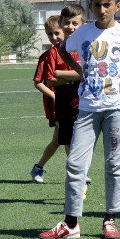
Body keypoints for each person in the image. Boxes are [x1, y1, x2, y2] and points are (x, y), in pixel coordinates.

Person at [39, 0, 120, 239]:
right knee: (75, 163)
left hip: (116, 107)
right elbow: (63, 49)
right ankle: (71, 223)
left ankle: (110, 218)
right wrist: (80, 70)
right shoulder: (83, 32)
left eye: (107, 5)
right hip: (87, 107)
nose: (102, 10)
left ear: (118, 6)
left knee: (113, 164)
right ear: (91, 6)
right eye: (97, 5)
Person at [30, 14, 78, 183]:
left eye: (57, 33)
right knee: (64, 137)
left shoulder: (74, 51)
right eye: (50, 34)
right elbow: (40, 82)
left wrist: (67, 79)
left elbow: (78, 75)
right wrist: (55, 94)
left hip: (74, 101)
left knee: (62, 138)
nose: (54, 37)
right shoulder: (47, 56)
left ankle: (40, 167)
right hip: (57, 105)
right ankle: (75, 172)